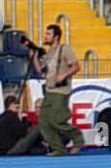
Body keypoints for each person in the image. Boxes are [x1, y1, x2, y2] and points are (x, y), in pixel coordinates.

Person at [32, 23, 84, 155]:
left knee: (56, 119)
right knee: (44, 121)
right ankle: (58, 148)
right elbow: (41, 72)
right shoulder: (49, 53)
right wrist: (34, 59)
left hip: (60, 91)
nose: (46, 36)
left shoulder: (65, 49)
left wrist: (64, 75)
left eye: (48, 34)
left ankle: (78, 138)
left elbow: (76, 66)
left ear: (56, 36)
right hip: (49, 90)